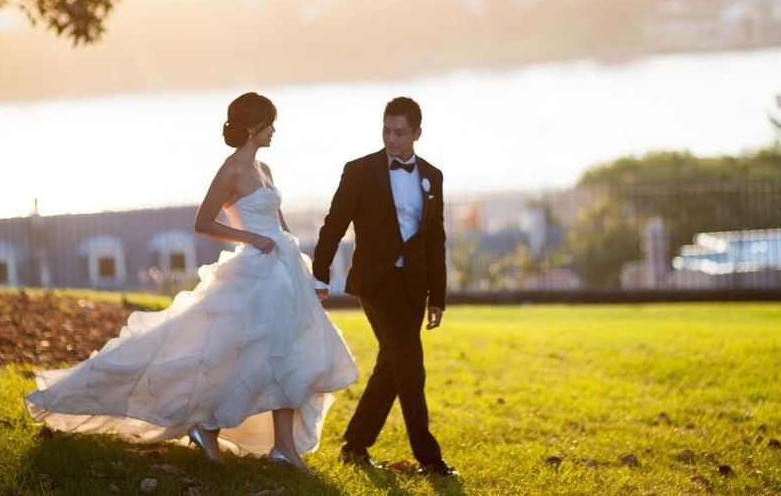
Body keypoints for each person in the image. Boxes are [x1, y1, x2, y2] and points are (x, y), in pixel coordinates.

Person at [25, 92, 359, 471]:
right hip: (254, 272)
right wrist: (251, 239)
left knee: (287, 356)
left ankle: (283, 447)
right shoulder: (231, 169)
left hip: (284, 271)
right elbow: (203, 221)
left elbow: (281, 226)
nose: (274, 130)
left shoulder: (264, 169)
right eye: (269, 124)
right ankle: (205, 427)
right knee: (235, 358)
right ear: (252, 127)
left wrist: (306, 272)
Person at [312, 96, 458, 477]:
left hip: (414, 286)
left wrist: (437, 297)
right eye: (386, 131)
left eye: (399, 133)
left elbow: (434, 239)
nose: (391, 139)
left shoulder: (433, 176)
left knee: (391, 366)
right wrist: (320, 272)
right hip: (376, 282)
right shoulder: (360, 171)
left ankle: (355, 445)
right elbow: (335, 222)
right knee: (410, 365)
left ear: (416, 134)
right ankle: (429, 459)